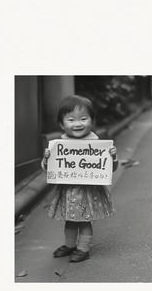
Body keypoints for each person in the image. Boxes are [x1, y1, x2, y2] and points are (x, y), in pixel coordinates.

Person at [41, 95, 119, 262]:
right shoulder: (59, 145)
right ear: (62, 124)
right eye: (71, 119)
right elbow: (50, 169)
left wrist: (113, 157)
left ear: (92, 121)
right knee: (69, 220)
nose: (78, 123)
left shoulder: (96, 144)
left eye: (83, 118)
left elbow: (109, 168)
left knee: (84, 221)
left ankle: (83, 249)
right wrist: (47, 158)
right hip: (68, 191)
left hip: (87, 191)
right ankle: (70, 245)